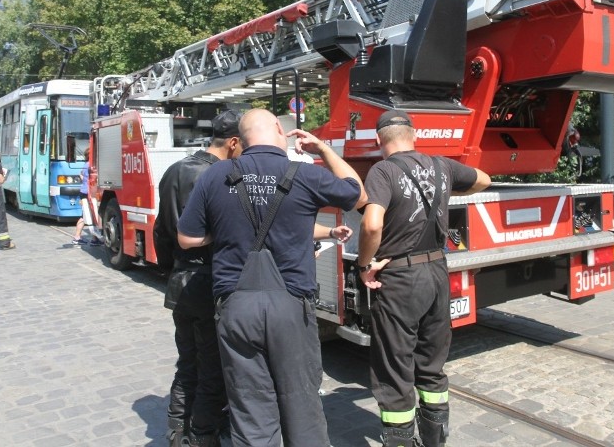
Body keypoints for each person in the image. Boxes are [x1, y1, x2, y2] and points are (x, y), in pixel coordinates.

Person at [177, 108, 367, 447]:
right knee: (302, 403)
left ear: (242, 137)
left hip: (236, 306)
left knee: (250, 407)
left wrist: (221, 234)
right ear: (280, 129)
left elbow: (187, 238)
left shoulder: (215, 175)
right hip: (291, 306)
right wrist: (323, 149)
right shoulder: (305, 174)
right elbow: (357, 193)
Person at [356, 110, 491, 447]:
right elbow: (484, 180)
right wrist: (445, 194)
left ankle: (400, 441)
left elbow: (372, 224)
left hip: (401, 277)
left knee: (395, 364)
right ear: (414, 135)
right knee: (432, 364)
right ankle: (435, 441)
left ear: (378, 140)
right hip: (437, 273)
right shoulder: (441, 166)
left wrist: (364, 264)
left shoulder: (382, 171)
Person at [154, 110, 243, 447]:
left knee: (187, 361)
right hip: (211, 280)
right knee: (213, 366)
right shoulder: (222, 176)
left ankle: (177, 431)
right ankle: (203, 434)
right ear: (233, 142)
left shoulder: (174, 171)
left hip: (181, 280)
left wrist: (169, 268)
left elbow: (161, 228)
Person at [73, 147, 102, 246]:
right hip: (88, 193)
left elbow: (81, 174)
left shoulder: (86, 165)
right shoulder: (91, 166)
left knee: (90, 215)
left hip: (84, 192)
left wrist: (84, 181)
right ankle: (77, 237)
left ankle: (94, 239)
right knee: (86, 216)